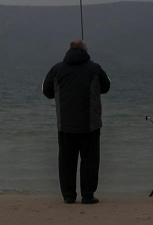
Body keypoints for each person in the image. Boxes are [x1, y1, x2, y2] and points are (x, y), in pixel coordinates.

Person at [42, 39, 111, 204]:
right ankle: (87, 195)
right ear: (85, 51)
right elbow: (106, 87)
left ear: (69, 50)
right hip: (90, 124)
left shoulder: (57, 69)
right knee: (90, 161)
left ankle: (68, 196)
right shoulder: (95, 68)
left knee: (66, 161)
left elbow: (46, 91)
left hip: (65, 124)